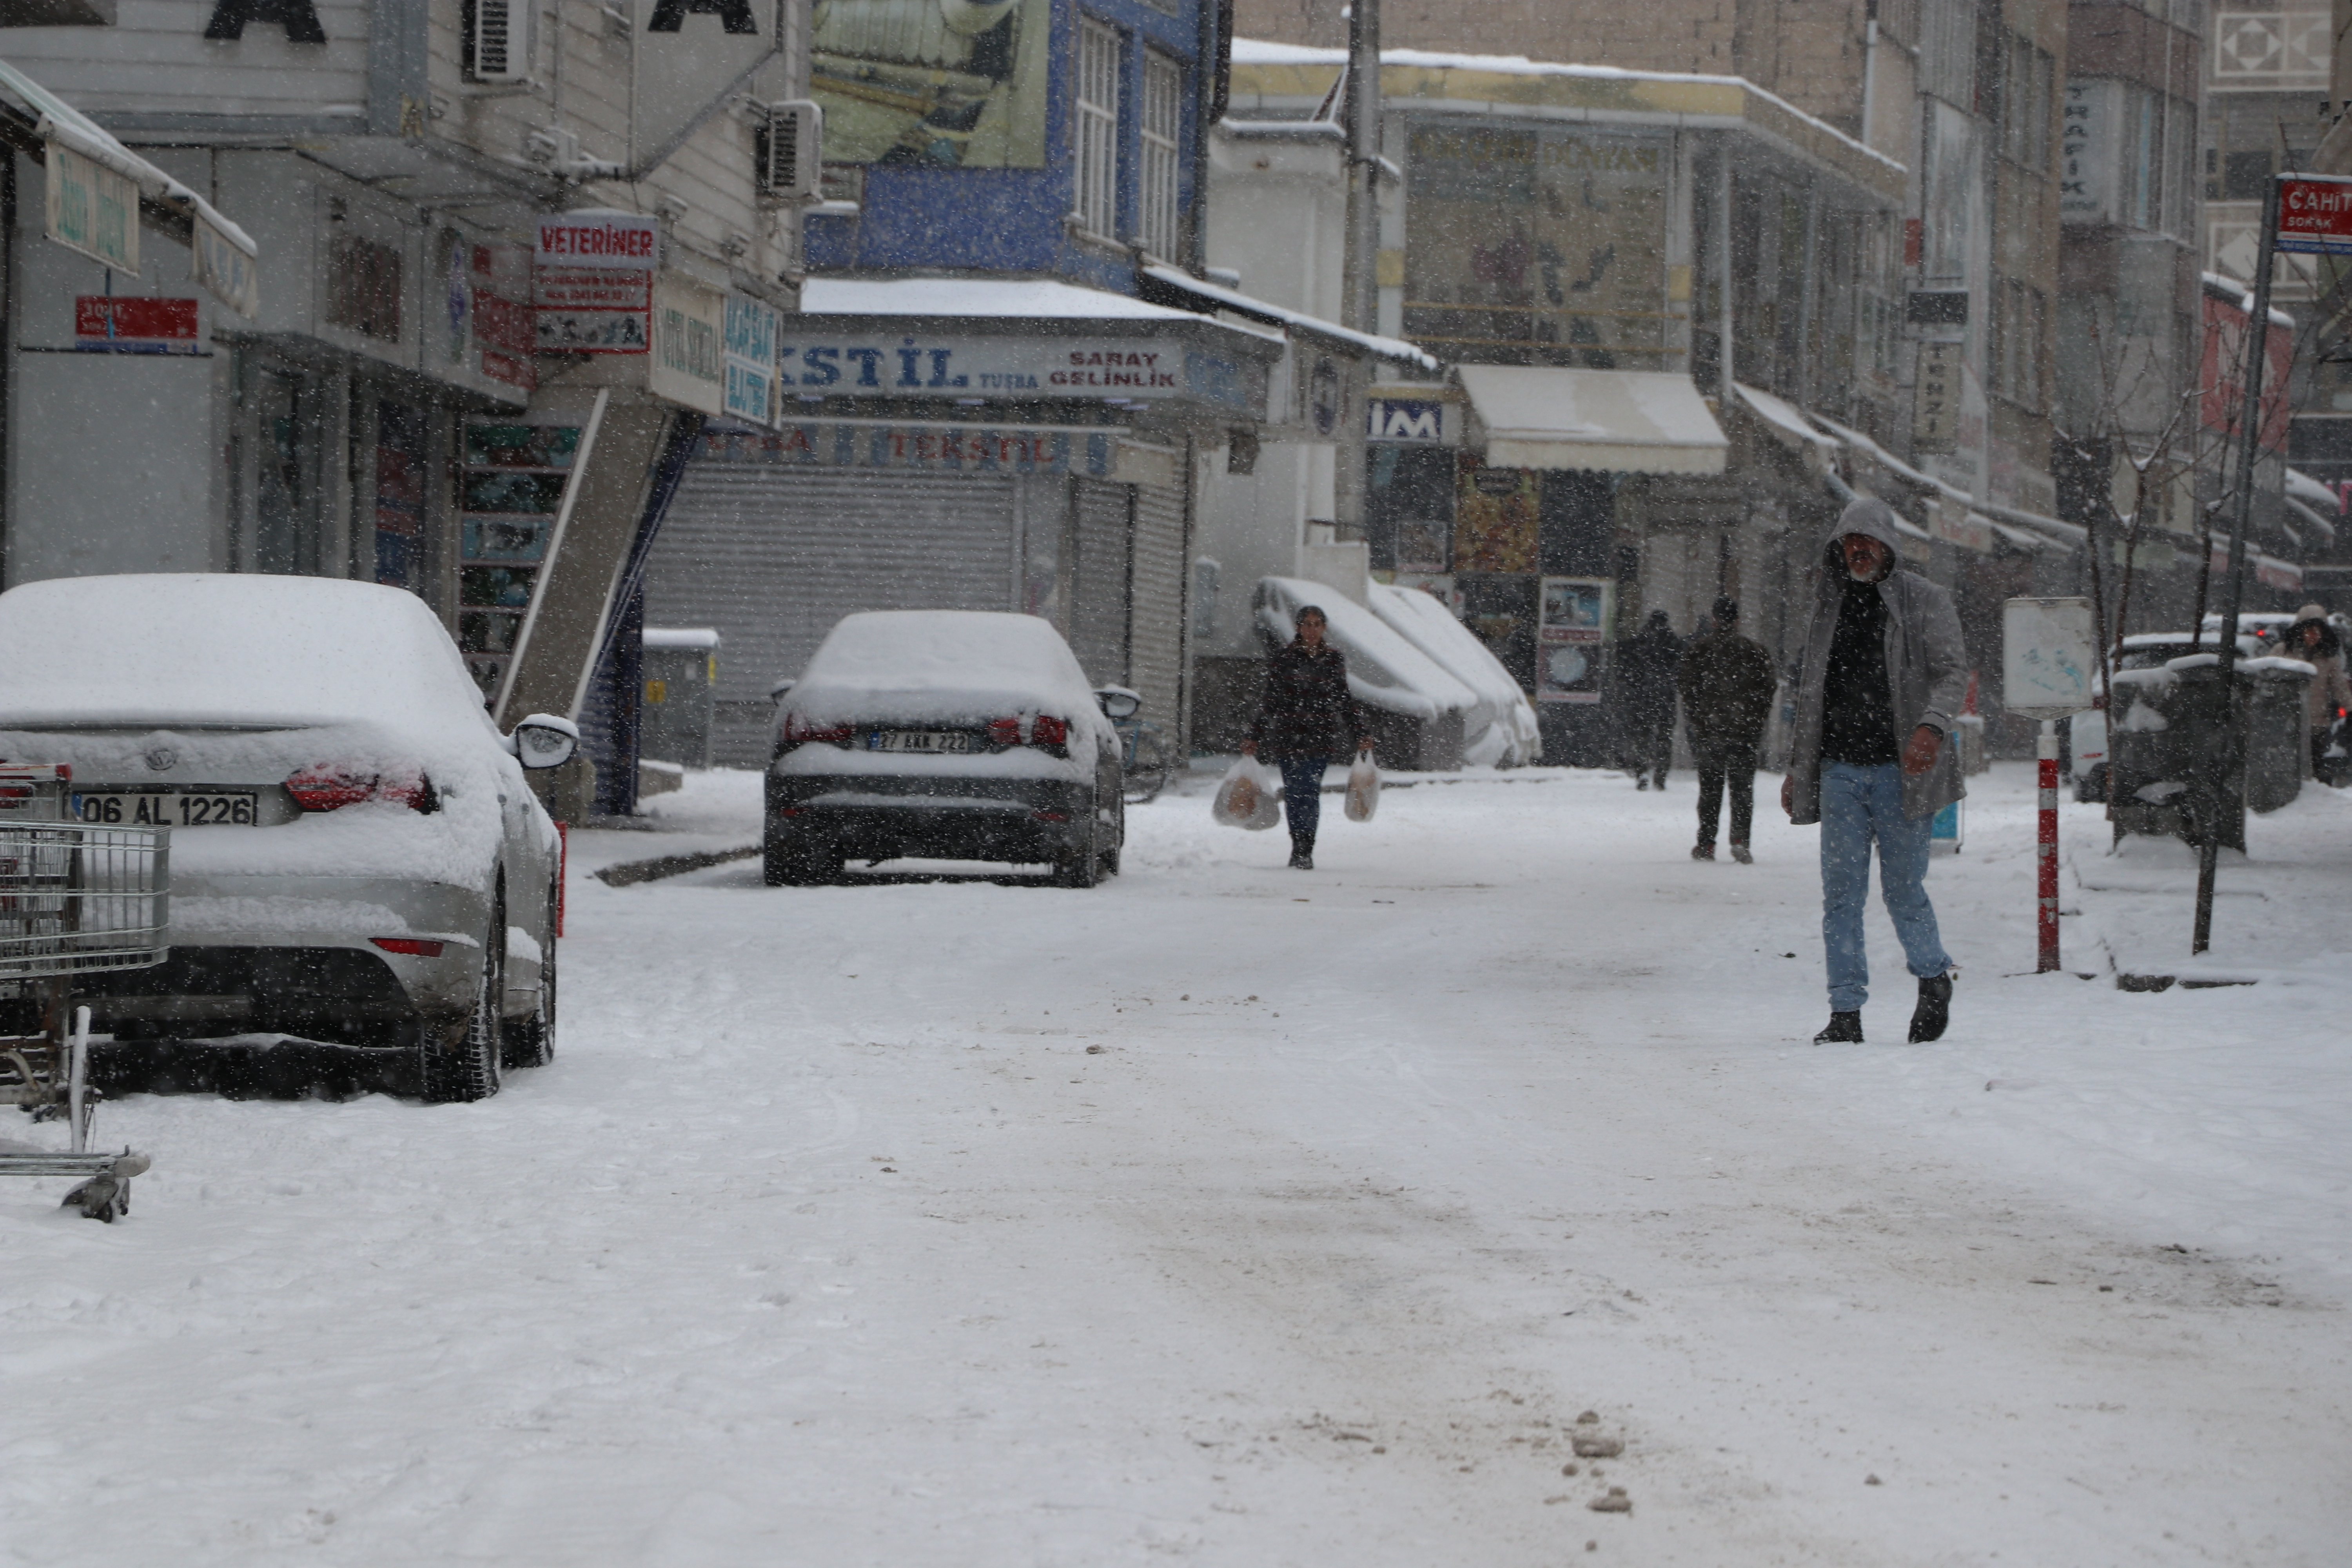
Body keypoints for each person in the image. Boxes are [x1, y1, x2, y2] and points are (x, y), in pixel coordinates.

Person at [1781, 497, 1967, 1045]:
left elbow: (1952, 672)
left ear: (1889, 545)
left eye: (1868, 540)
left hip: (1902, 773)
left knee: (1903, 891)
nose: (1859, 550)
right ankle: (1845, 1014)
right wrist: (1800, 770)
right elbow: (1812, 692)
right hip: (1839, 771)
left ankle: (1934, 978)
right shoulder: (1828, 606)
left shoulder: (1923, 601)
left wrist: (1930, 728)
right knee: (1840, 896)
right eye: (1849, 541)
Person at [1243, 605, 1374, 871]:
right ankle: (1297, 845)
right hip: (1289, 736)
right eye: (1307, 624)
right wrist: (1255, 734)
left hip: (1320, 736)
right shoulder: (1285, 659)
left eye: (1317, 625)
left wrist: (1360, 732)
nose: (1311, 630)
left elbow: (1344, 700)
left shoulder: (1333, 660)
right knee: (1294, 793)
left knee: (1309, 791)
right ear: (1298, 628)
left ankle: (1306, 847)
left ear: (1324, 628)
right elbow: (1272, 700)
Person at [1677, 595, 1777, 863]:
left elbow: (1687, 688)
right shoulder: (1755, 651)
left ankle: (1707, 842)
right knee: (1742, 789)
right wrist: (1755, 719)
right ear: (1737, 620)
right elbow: (1768, 688)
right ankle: (1741, 840)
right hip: (1745, 732)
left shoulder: (1699, 650)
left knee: (1710, 789)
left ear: (1714, 619)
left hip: (1710, 731)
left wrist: (1700, 718)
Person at [2278, 605, 2351, 779]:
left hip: (2317, 723)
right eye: (2310, 630)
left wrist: (2350, 709)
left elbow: (2340, 687)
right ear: (2300, 630)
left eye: (2319, 631)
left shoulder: (2328, 659)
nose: (2314, 636)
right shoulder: (2283, 652)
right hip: (2287, 721)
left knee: (2314, 765)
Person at [1617, 609, 1682, 789]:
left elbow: (1626, 670)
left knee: (1642, 737)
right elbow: (1680, 669)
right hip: (1665, 697)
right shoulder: (1673, 642)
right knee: (1664, 738)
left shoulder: (1640, 640)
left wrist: (1633, 687)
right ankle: (1661, 775)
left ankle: (1642, 771)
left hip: (1642, 697)